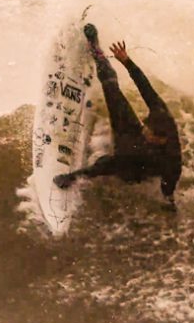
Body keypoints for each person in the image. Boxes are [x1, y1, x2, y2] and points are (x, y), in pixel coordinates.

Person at [54, 23, 182, 207]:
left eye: (149, 131)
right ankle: (95, 47)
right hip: (135, 141)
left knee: (110, 163)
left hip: (138, 167)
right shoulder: (160, 112)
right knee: (111, 86)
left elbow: (168, 190)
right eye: (146, 126)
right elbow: (144, 86)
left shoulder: (171, 161)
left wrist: (169, 203)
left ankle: (71, 177)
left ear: (161, 139)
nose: (145, 128)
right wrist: (127, 61)